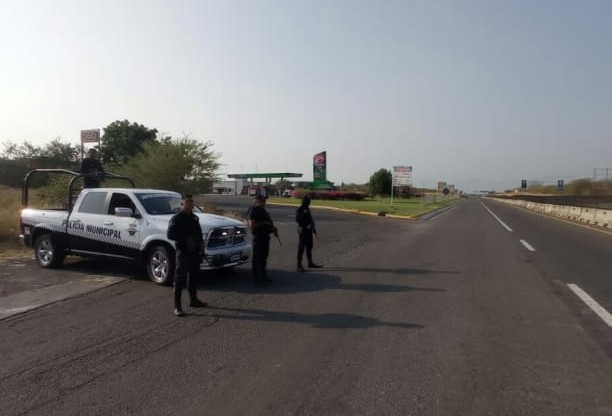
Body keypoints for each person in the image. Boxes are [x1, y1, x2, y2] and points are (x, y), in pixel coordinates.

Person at [167, 194, 207, 316]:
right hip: (183, 252)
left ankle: (193, 300)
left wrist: (201, 245)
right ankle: (177, 307)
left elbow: (198, 232)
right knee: (179, 279)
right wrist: (186, 240)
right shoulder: (177, 218)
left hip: (194, 252)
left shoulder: (194, 217)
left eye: (191, 202)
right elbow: (170, 235)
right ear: (182, 204)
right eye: (188, 202)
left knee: (194, 277)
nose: (190, 204)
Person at [247, 194, 277, 285]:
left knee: (263, 258)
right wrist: (265, 223)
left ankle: (263, 277)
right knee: (256, 259)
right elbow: (252, 225)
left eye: (265, 201)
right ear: (257, 201)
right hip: (258, 237)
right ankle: (256, 280)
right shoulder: (253, 210)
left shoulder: (262, 210)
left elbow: (267, 221)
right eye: (263, 201)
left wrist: (272, 228)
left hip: (265, 237)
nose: (265, 203)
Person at [296, 195, 322, 272]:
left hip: (309, 231)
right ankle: (299, 265)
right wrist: (303, 214)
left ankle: (310, 263)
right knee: (301, 248)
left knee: (309, 247)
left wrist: (313, 227)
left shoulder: (307, 209)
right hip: (303, 231)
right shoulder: (300, 209)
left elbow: (310, 219)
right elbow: (298, 219)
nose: (309, 202)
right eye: (308, 201)